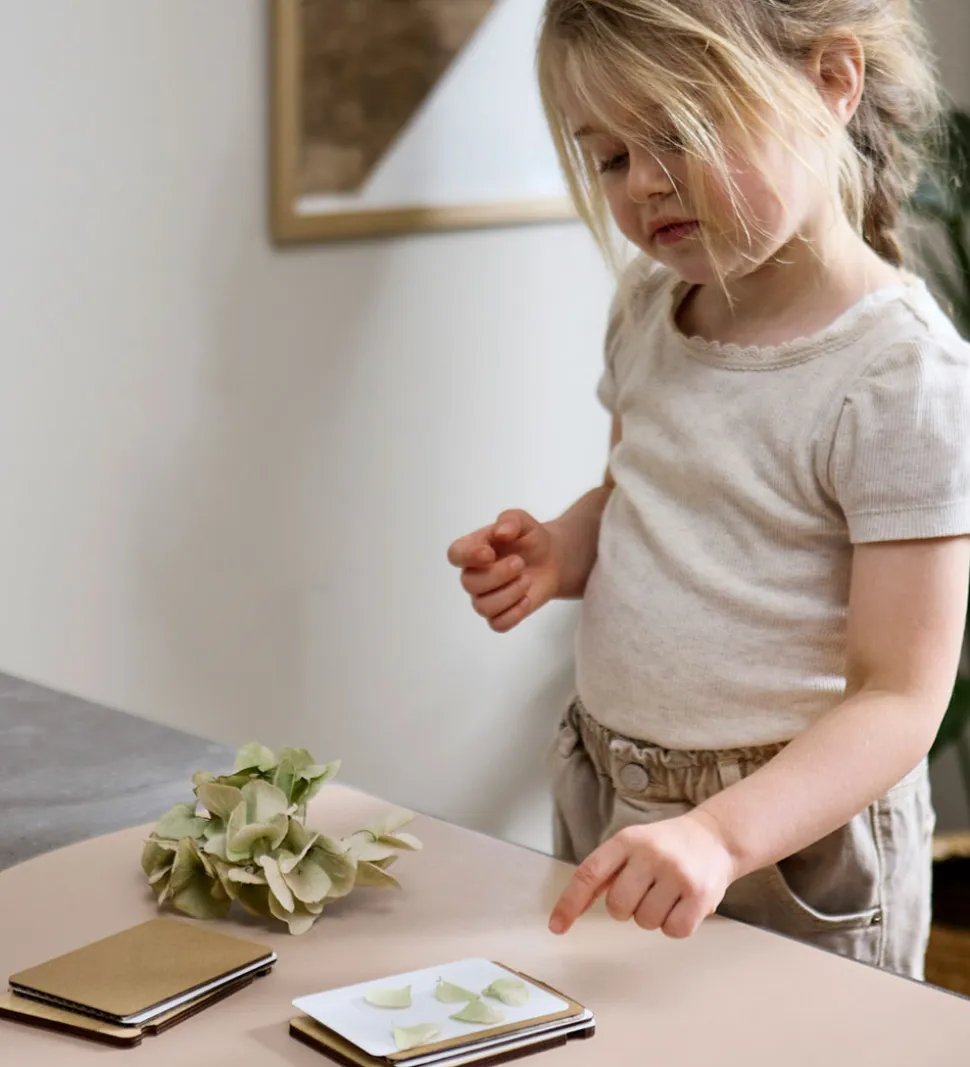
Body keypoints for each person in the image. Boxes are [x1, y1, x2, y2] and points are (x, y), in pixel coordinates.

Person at [446, 0, 970, 980]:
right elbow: (638, 493)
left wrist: (723, 833)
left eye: (680, 132)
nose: (643, 183)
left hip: (791, 844)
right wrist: (563, 547)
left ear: (832, 80)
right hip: (616, 789)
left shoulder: (899, 376)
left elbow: (900, 696)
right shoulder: (650, 307)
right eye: (609, 157)